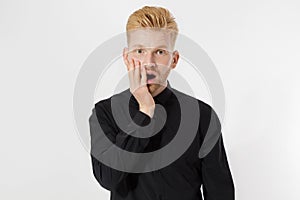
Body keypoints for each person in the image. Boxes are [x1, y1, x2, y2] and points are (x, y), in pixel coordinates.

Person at [89, 5, 235, 200]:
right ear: (126, 57)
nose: (148, 61)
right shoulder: (104, 112)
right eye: (140, 50)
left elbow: (220, 192)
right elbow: (108, 177)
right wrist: (145, 112)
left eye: (159, 52)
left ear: (174, 60)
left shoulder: (202, 116)